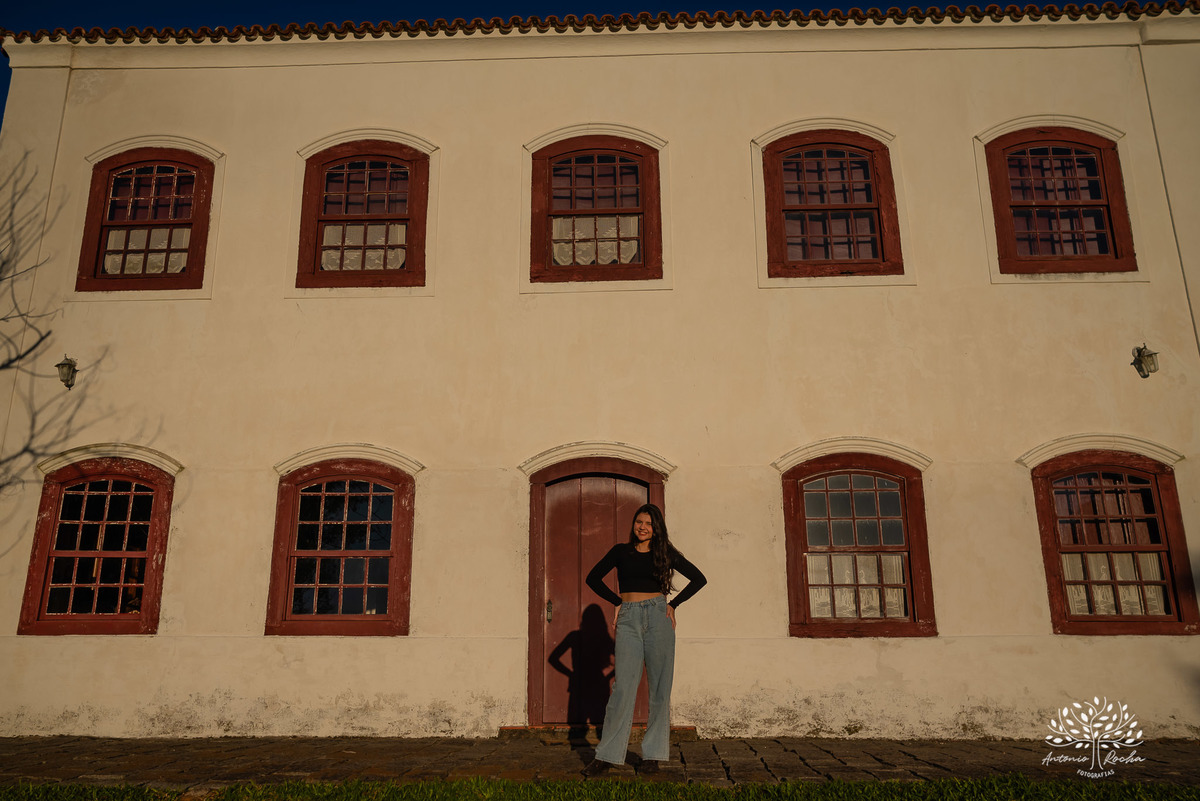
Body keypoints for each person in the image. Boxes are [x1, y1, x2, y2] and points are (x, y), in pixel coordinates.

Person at [581, 503, 706, 776]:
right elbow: (592, 578)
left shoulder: (665, 554)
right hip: (628, 619)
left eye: (649, 524)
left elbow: (699, 579)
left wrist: (673, 605)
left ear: (656, 528)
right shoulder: (620, 551)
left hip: (658, 617)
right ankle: (608, 755)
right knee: (622, 689)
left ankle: (653, 754)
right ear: (633, 524)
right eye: (639, 522)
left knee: (660, 689)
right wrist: (617, 602)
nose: (643, 527)